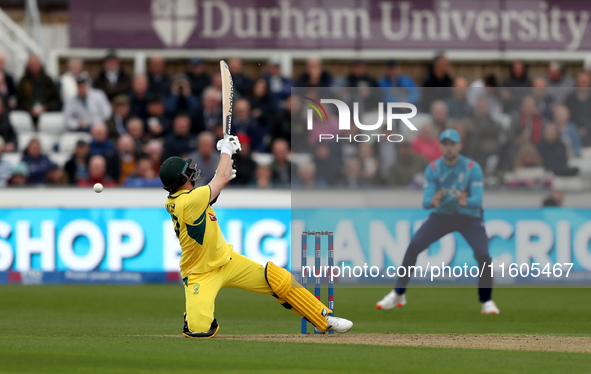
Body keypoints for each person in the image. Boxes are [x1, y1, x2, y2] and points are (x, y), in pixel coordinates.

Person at [159, 136, 352, 337]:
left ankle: (323, 318)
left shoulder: (183, 200)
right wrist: (226, 150)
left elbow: (214, 189)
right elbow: (222, 178)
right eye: (187, 172)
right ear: (182, 180)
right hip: (200, 272)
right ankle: (192, 314)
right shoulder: (190, 201)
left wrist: (221, 171)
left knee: (278, 279)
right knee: (198, 330)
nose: (192, 173)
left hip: (226, 260)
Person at [376, 129, 500, 315]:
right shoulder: (433, 168)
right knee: (415, 245)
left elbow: (478, 199)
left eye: (452, 144)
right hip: (442, 215)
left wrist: (466, 202)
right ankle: (398, 293)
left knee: (483, 255)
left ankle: (486, 300)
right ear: (441, 146)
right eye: (445, 144)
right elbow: (426, 201)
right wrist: (432, 201)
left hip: (469, 217)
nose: (449, 148)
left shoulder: (471, 168)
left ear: (459, 146)